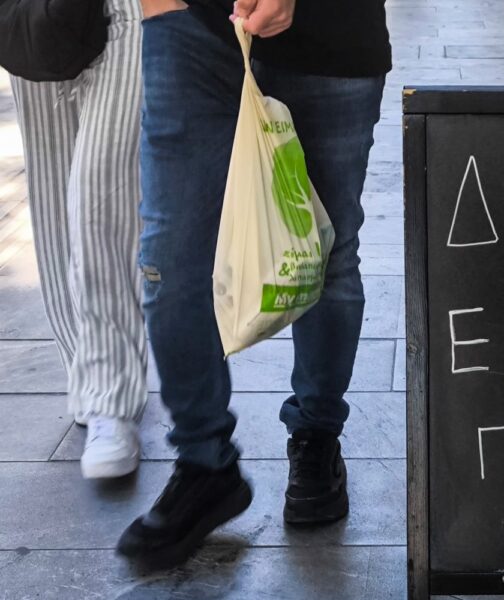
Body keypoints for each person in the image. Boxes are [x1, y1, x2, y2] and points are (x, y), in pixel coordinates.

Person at [117, 0, 389, 565]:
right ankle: (203, 461)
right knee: (169, 260)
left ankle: (316, 433)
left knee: (324, 250)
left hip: (333, 31)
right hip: (188, 24)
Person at [10, 0, 148, 479]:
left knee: (98, 196)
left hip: (133, 9)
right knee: (53, 197)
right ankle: (88, 372)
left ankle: (110, 396)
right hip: (36, 16)